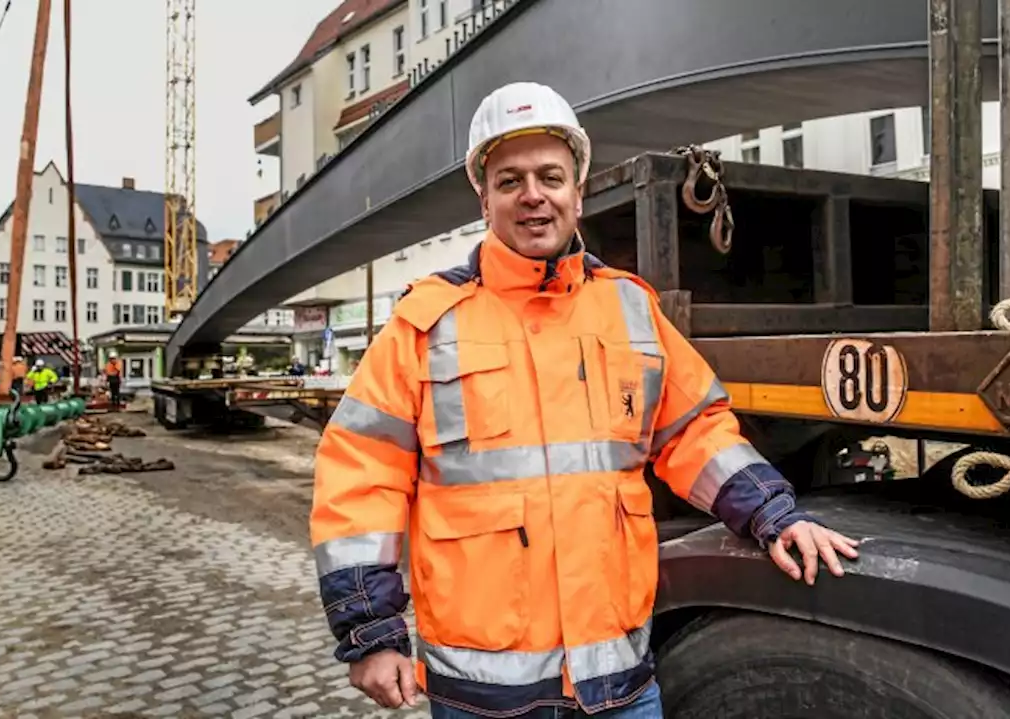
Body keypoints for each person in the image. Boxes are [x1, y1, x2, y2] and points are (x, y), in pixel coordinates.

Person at [309, 81, 860, 719]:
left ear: (578, 190)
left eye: (551, 176)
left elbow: (692, 431)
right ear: (483, 197)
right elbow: (359, 477)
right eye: (510, 180)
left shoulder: (628, 306)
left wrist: (772, 514)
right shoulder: (426, 322)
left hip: (616, 681)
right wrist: (370, 636)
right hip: (482, 693)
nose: (533, 195)